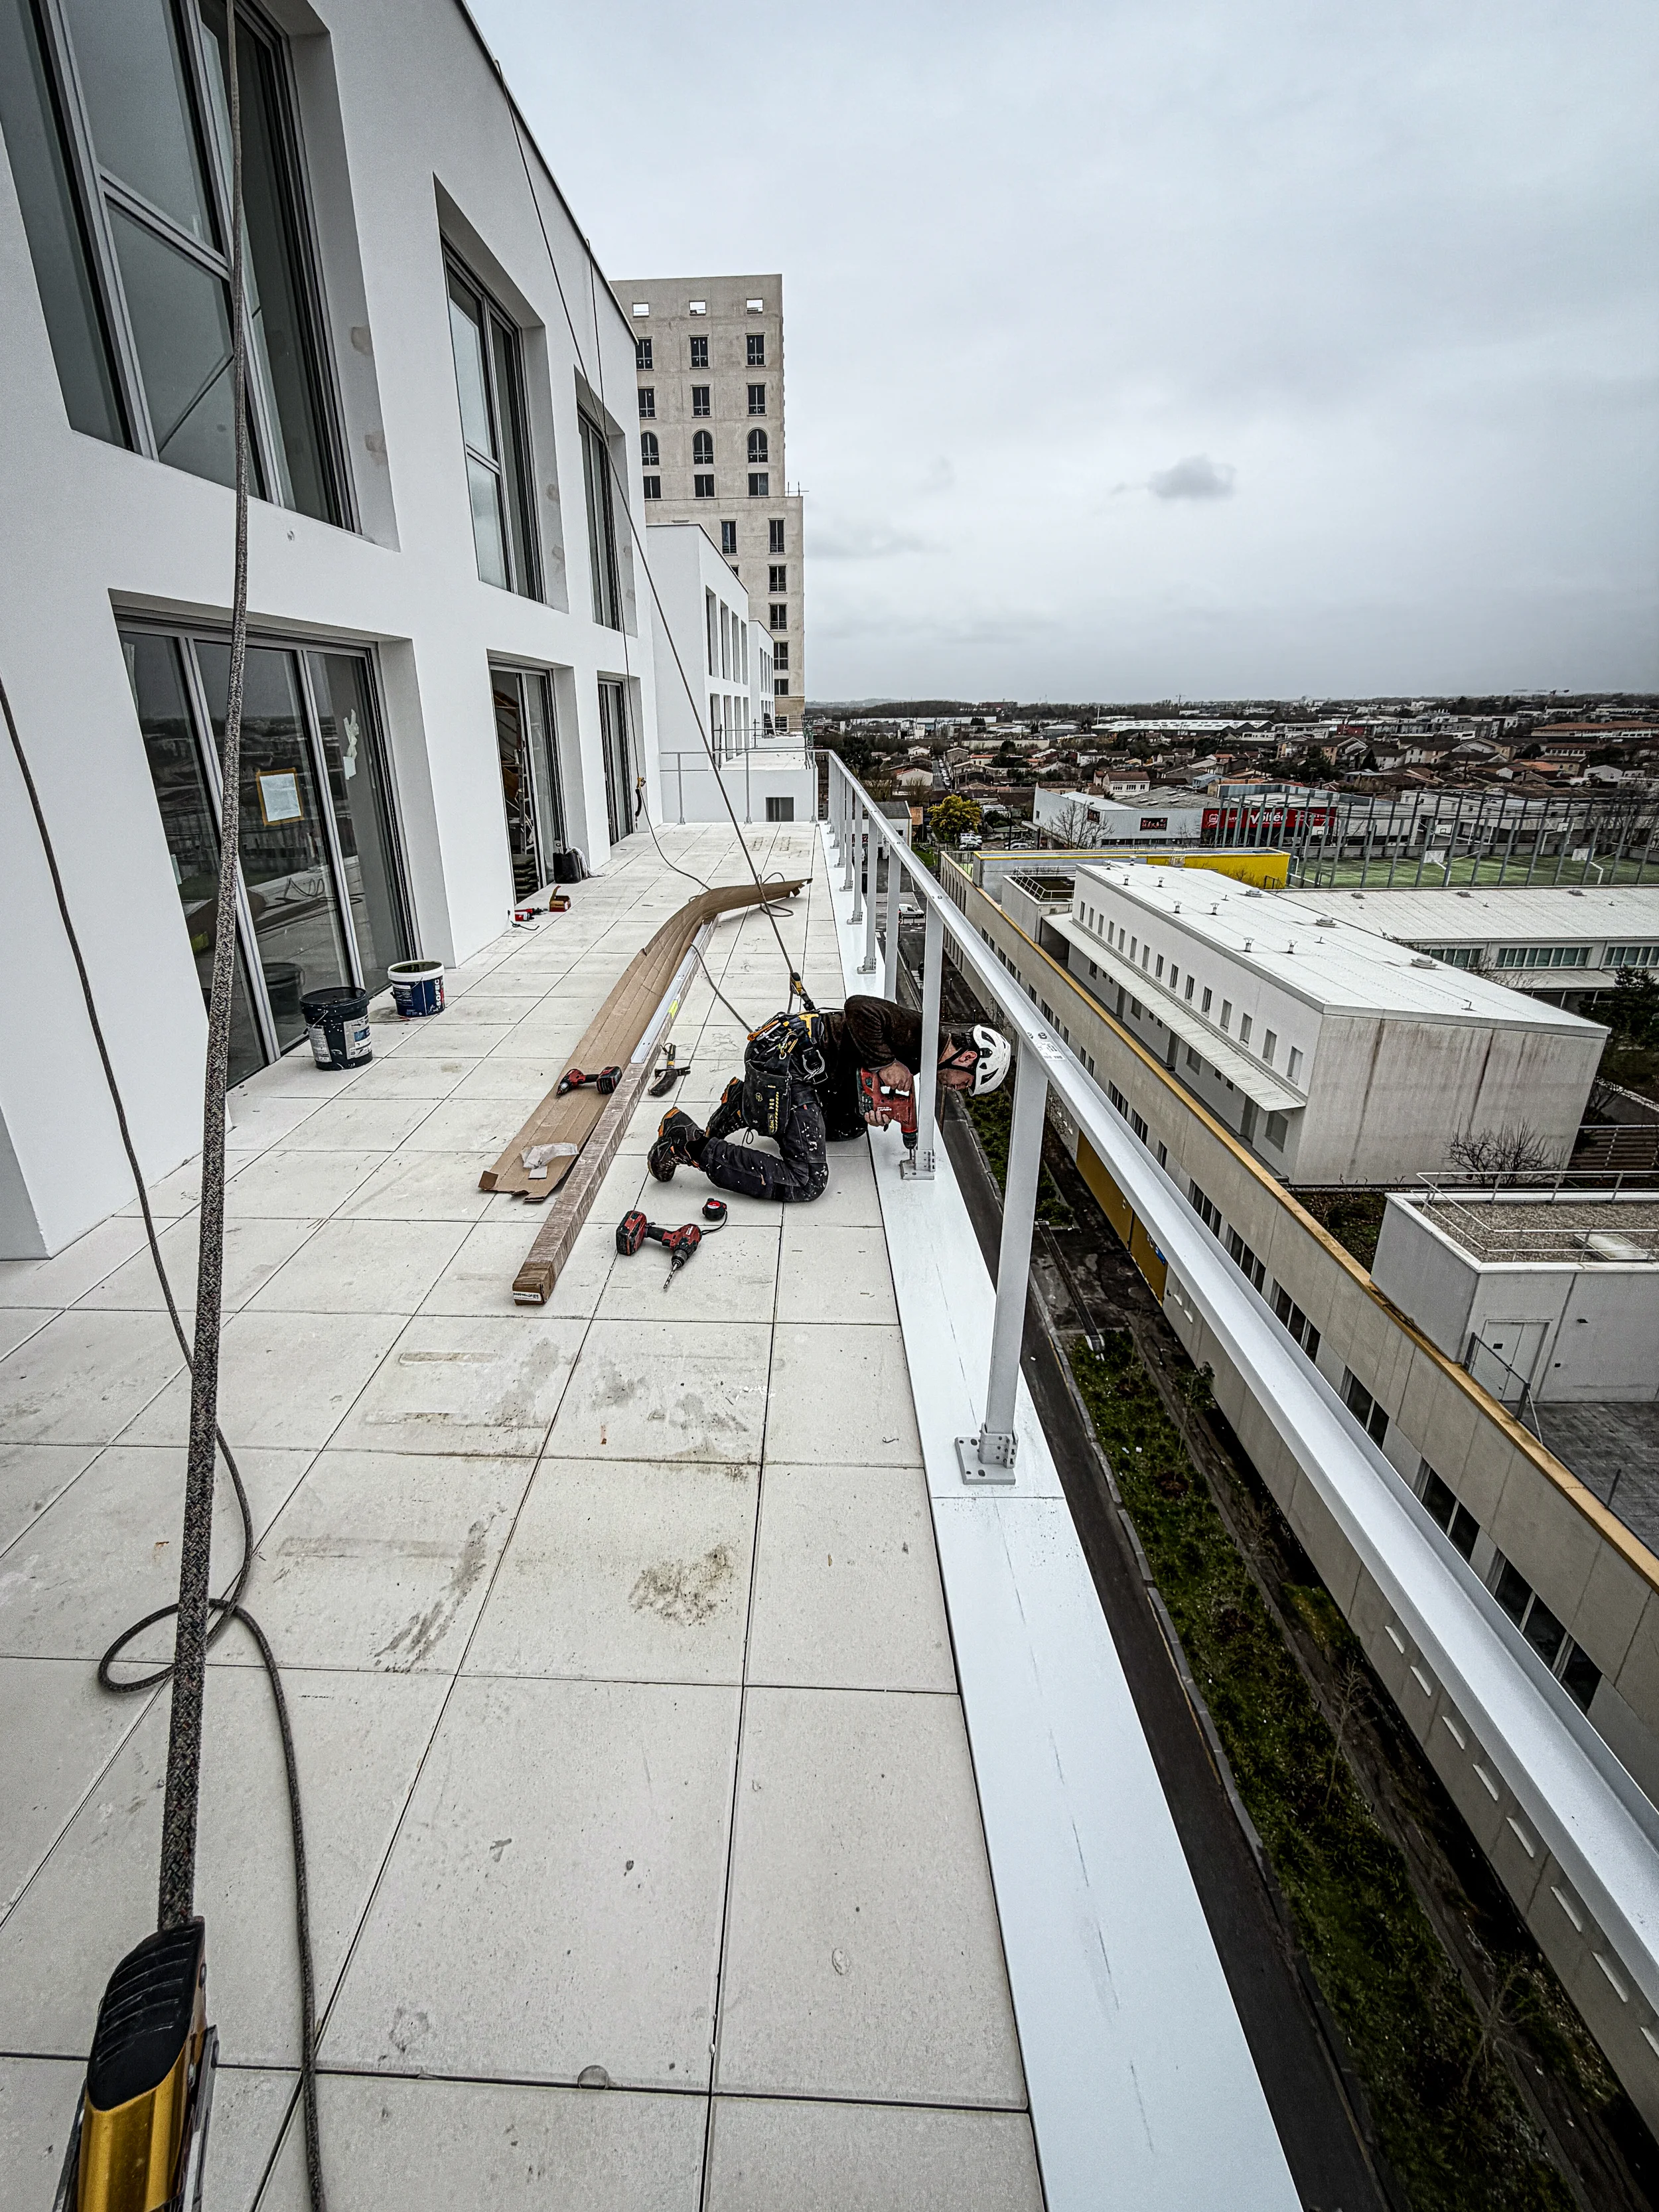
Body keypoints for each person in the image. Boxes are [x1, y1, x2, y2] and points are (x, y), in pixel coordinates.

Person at [647, 994, 1011, 1204]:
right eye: (967, 1083)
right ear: (966, 1058)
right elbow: (858, 1009)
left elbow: (856, 1067)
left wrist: (868, 1109)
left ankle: (745, 1101)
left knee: (849, 1127)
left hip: (805, 1068)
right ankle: (688, 1144)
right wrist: (884, 1063)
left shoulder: (926, 1050)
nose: (958, 1088)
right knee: (807, 1181)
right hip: (789, 1064)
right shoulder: (920, 1031)